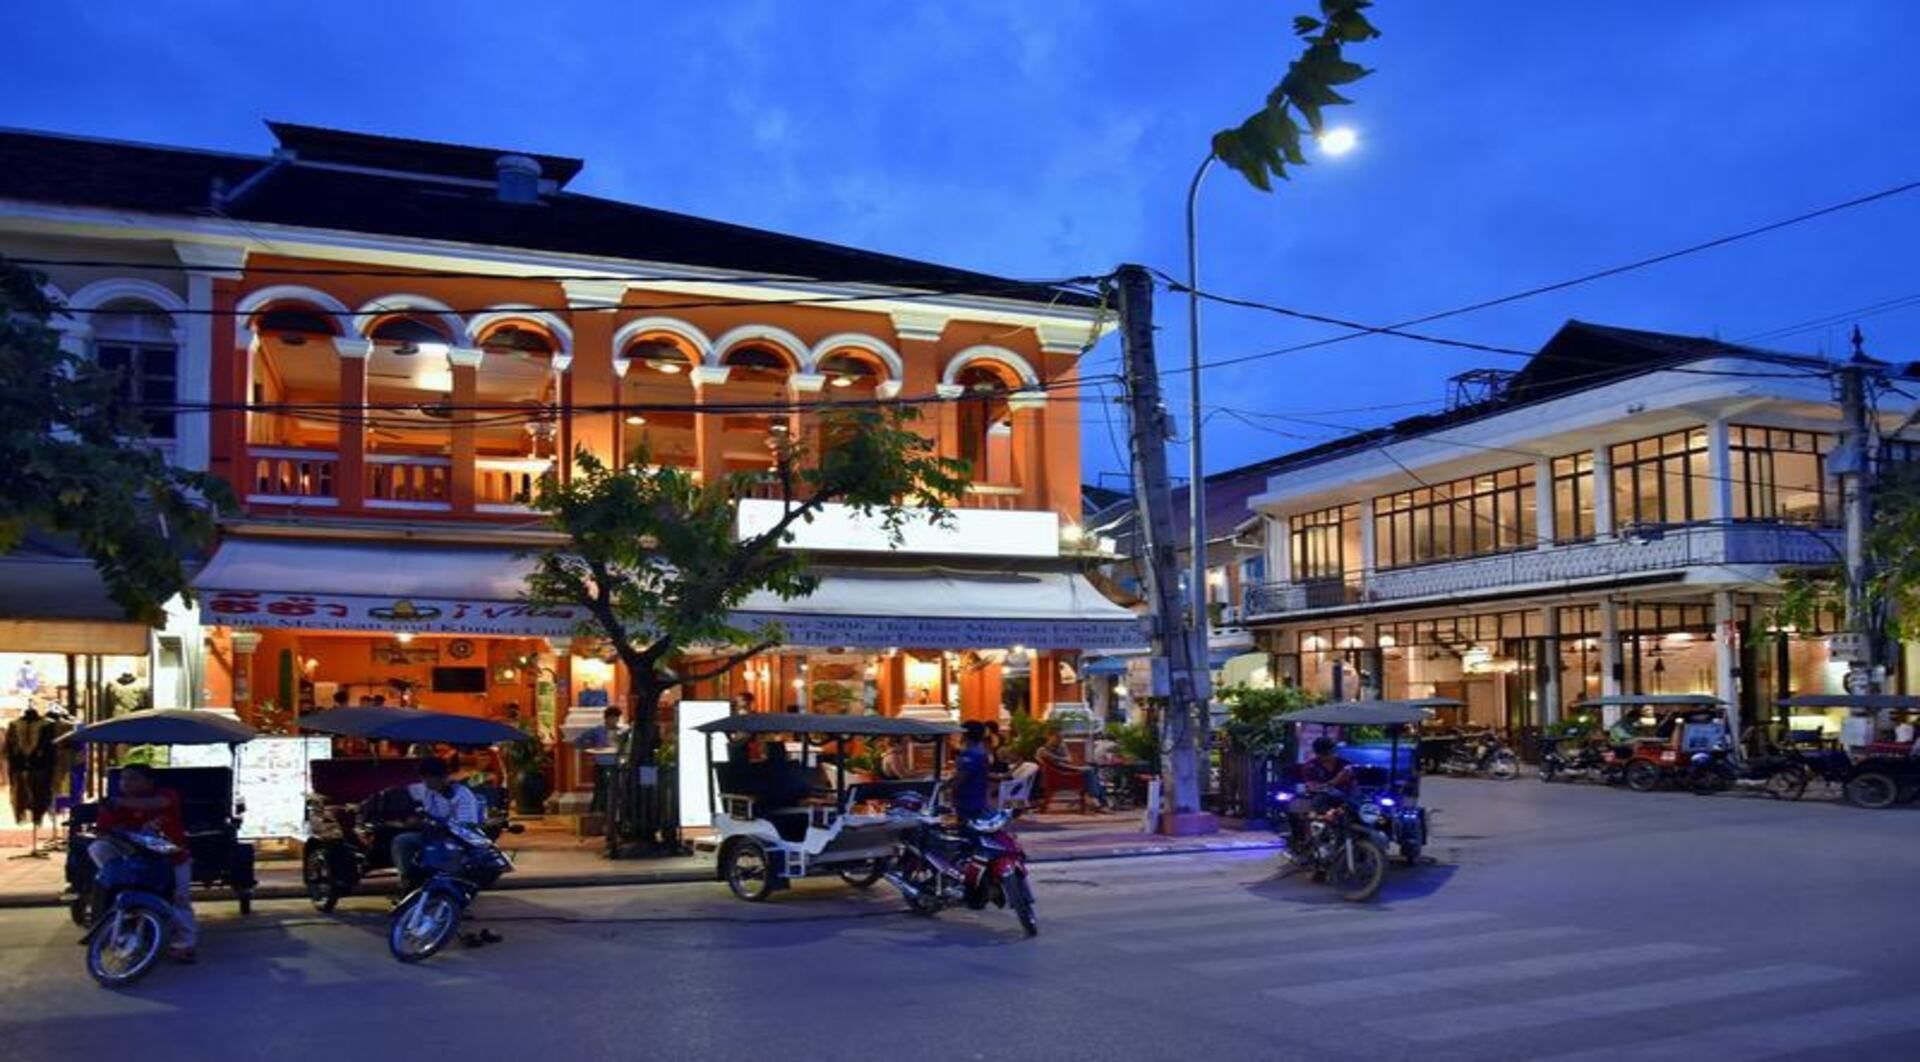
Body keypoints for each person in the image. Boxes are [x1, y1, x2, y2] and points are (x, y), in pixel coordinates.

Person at [91, 763, 197, 962]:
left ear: (150, 782)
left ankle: (185, 944)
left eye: (133, 778)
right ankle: (119, 929)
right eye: (123, 779)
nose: (126, 783)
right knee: (98, 848)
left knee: (179, 900)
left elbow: (157, 804)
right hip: (136, 861)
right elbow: (103, 830)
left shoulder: (166, 794)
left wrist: (120, 803)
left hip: (172, 859)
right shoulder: (114, 805)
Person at [390, 758, 482, 892]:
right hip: (432, 836)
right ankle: (409, 883)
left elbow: (467, 826)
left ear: (442, 777)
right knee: (402, 841)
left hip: (456, 840)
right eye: (424, 779)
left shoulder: (462, 795)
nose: (426, 783)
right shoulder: (429, 792)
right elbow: (408, 792)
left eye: (429, 779)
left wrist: (440, 826)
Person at [1037, 730, 1109, 810]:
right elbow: (1042, 760)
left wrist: (1055, 756)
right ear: (1049, 737)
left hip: (1066, 769)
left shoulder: (1060, 747)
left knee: (1092, 771)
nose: (1059, 740)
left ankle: (1096, 798)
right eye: (1056, 737)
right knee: (1090, 770)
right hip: (1060, 773)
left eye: (1060, 738)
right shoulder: (1042, 749)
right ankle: (1097, 799)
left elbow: (1069, 759)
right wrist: (1058, 758)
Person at [952, 722, 993, 821]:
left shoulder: (970, 754)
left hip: (968, 798)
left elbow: (963, 776)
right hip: (978, 796)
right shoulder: (981, 751)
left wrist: (952, 787)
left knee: (967, 826)